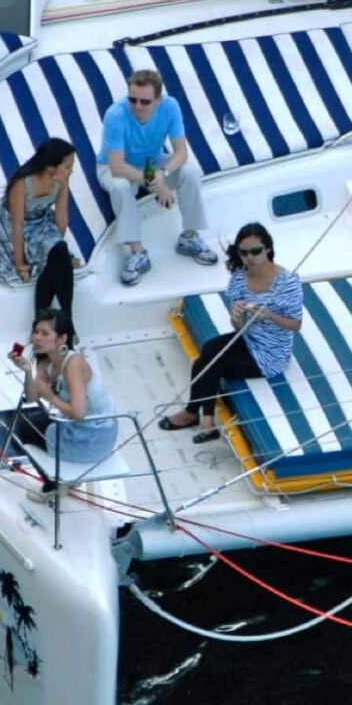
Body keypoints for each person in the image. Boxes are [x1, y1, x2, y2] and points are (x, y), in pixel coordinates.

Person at [160, 223, 304, 443]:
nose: (250, 258)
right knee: (208, 350)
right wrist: (237, 318)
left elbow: (296, 325)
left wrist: (269, 316)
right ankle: (201, 418)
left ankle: (199, 417)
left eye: (256, 251)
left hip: (270, 354)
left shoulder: (288, 283)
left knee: (211, 364)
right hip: (248, 338)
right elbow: (238, 327)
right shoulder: (239, 277)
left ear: (268, 249)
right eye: (244, 253)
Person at [99, 69, 220, 284]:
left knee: (190, 173)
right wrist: (157, 185)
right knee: (120, 187)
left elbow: (181, 153)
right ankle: (137, 252)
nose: (137, 106)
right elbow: (117, 167)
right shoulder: (115, 115)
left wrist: (162, 174)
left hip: (152, 162)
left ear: (158, 100)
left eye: (145, 102)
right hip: (116, 166)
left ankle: (189, 237)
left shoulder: (170, 106)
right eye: (132, 100)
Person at [8, 312, 120, 473]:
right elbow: (32, 397)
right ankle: (56, 476)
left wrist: (50, 396)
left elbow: (79, 413)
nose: (37, 338)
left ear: (62, 338)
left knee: (25, 427)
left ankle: (54, 484)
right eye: (36, 332)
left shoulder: (73, 363)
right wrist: (27, 372)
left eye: (45, 333)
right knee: (26, 419)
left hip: (93, 439)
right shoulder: (46, 361)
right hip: (78, 428)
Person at [0, 138, 78, 319]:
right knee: (54, 264)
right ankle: (47, 319)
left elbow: (61, 215)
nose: (71, 170)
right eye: (68, 166)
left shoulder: (61, 181)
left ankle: (66, 315)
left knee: (59, 254)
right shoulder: (23, 184)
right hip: (13, 228)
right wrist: (19, 263)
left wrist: (56, 245)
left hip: (40, 223)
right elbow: (16, 224)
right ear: (50, 167)